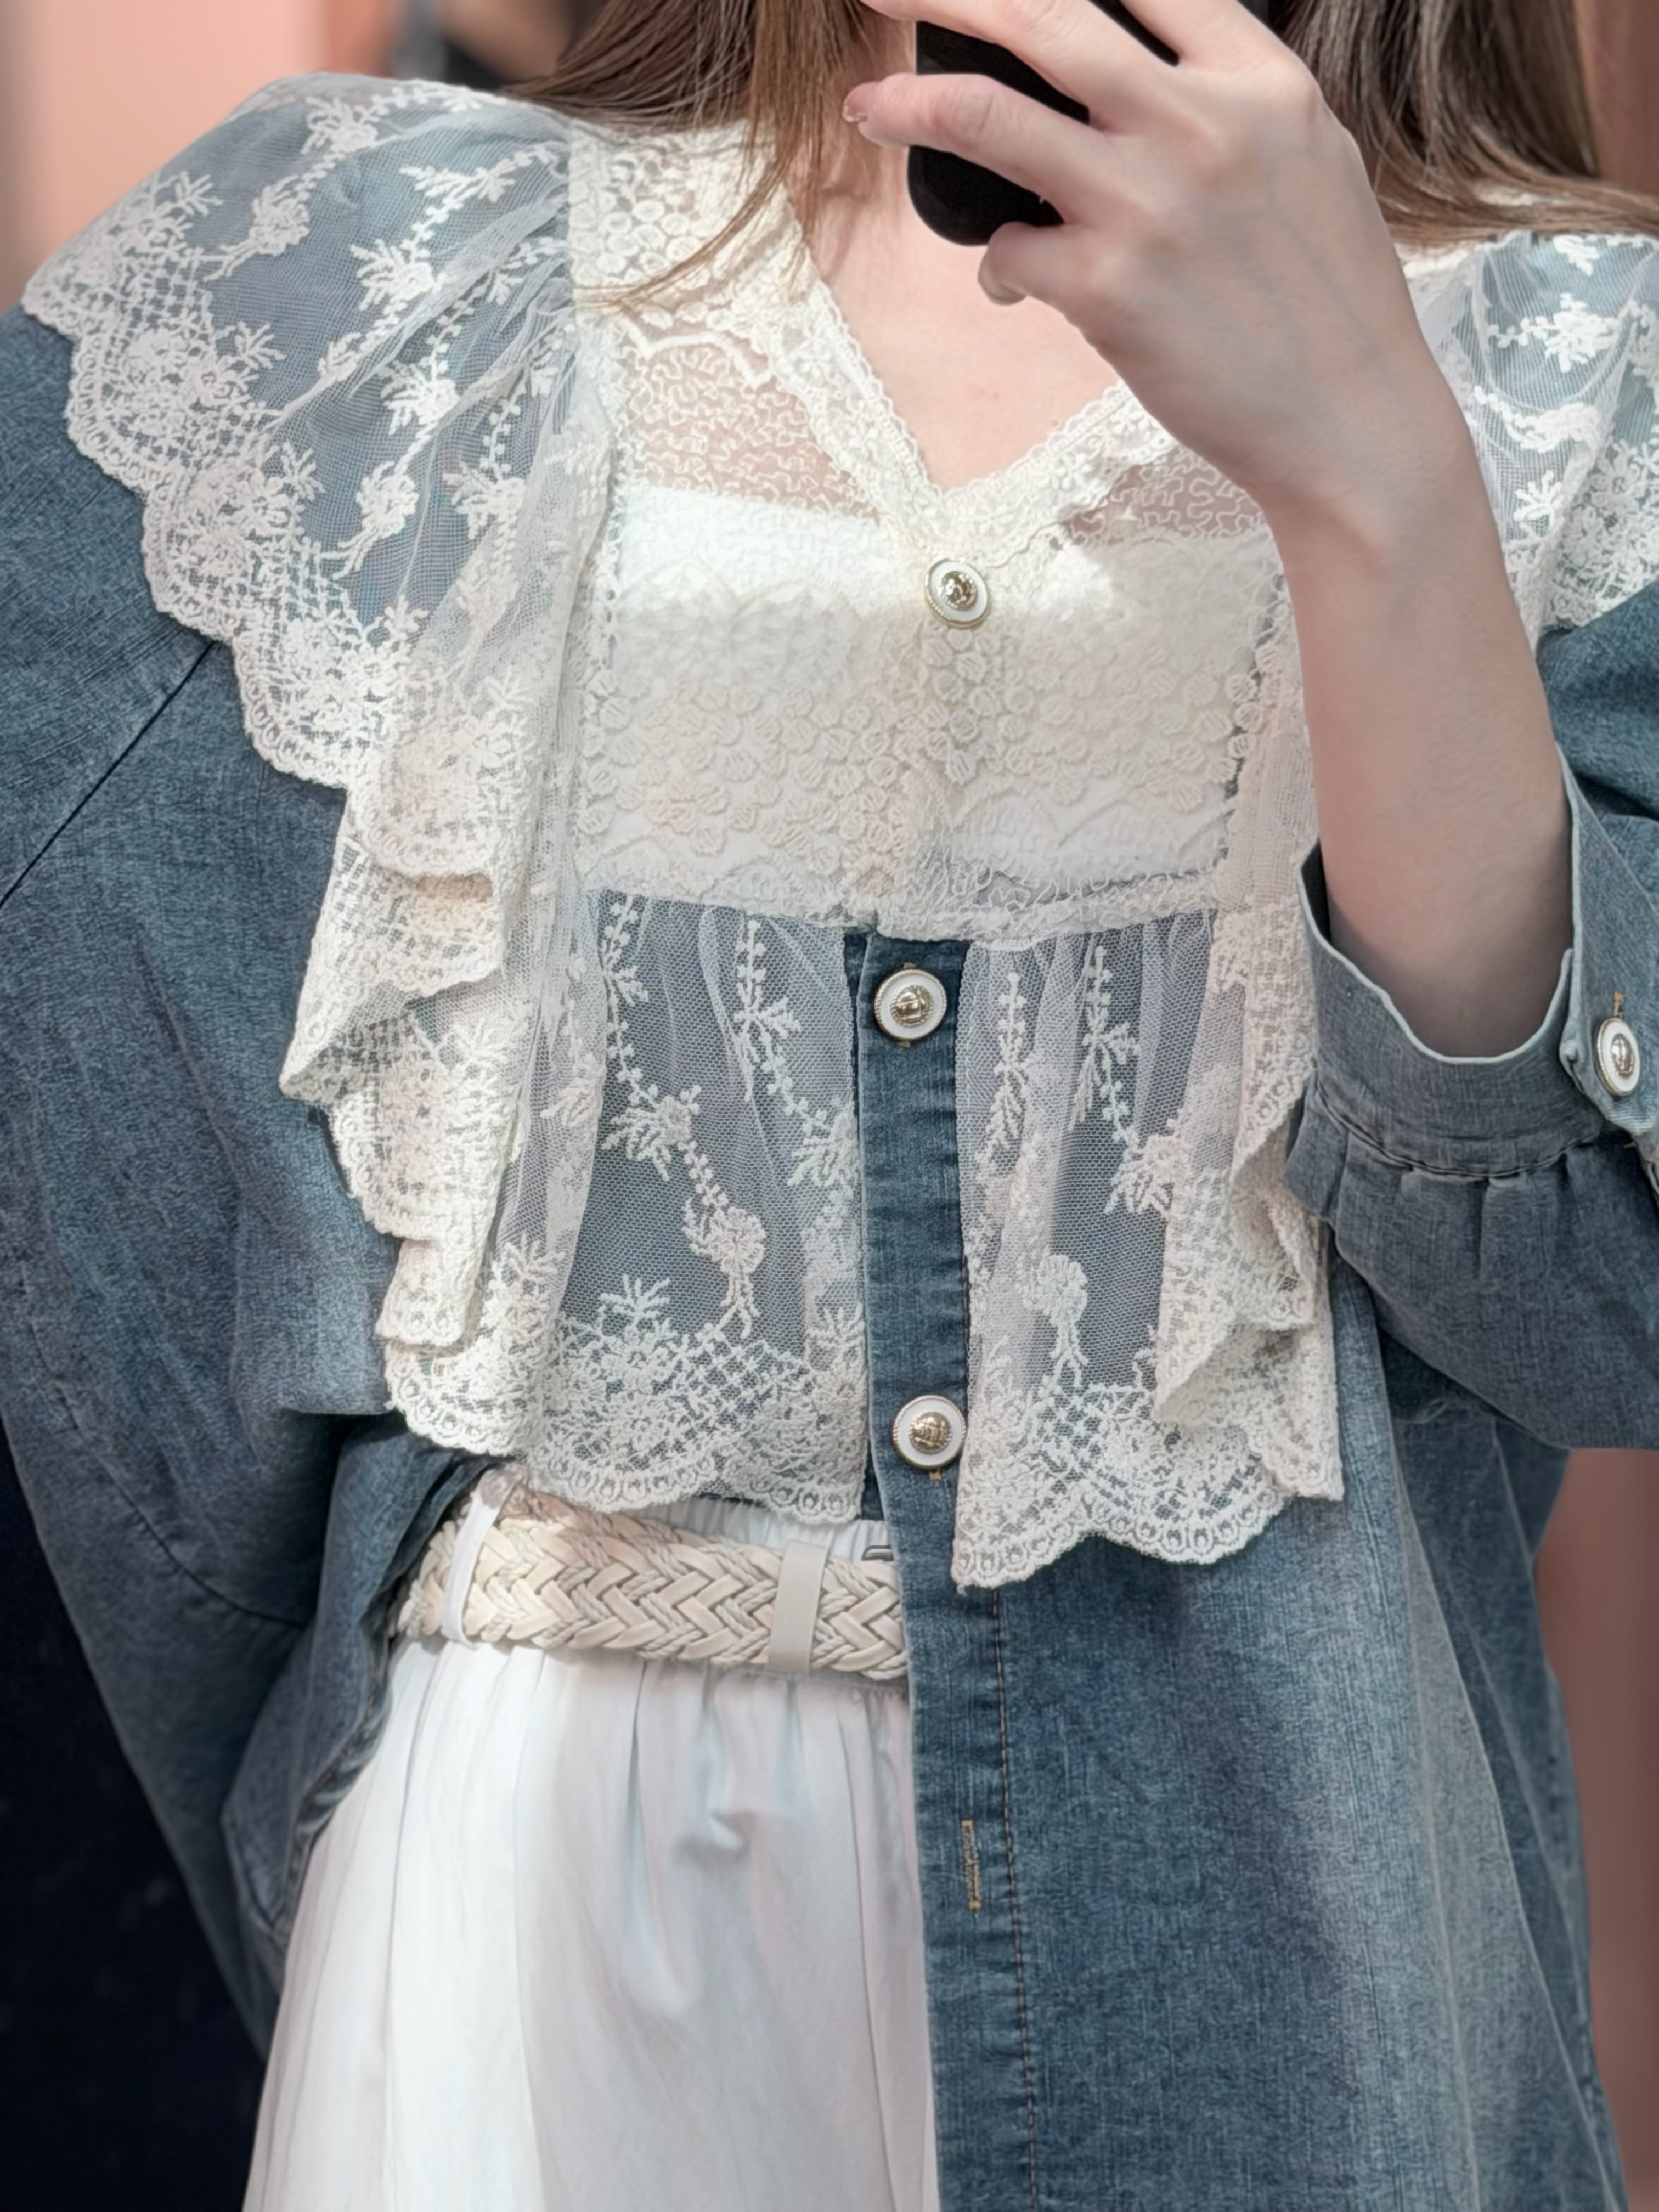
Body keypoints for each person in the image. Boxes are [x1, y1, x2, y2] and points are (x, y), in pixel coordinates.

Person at [3, 0, 1658, 2204]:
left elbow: (1598, 1310)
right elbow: (121, 1250)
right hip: (516, 1945)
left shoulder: (1580, 374)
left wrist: (1378, 476)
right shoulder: (351, 285)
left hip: (1262, 1977)